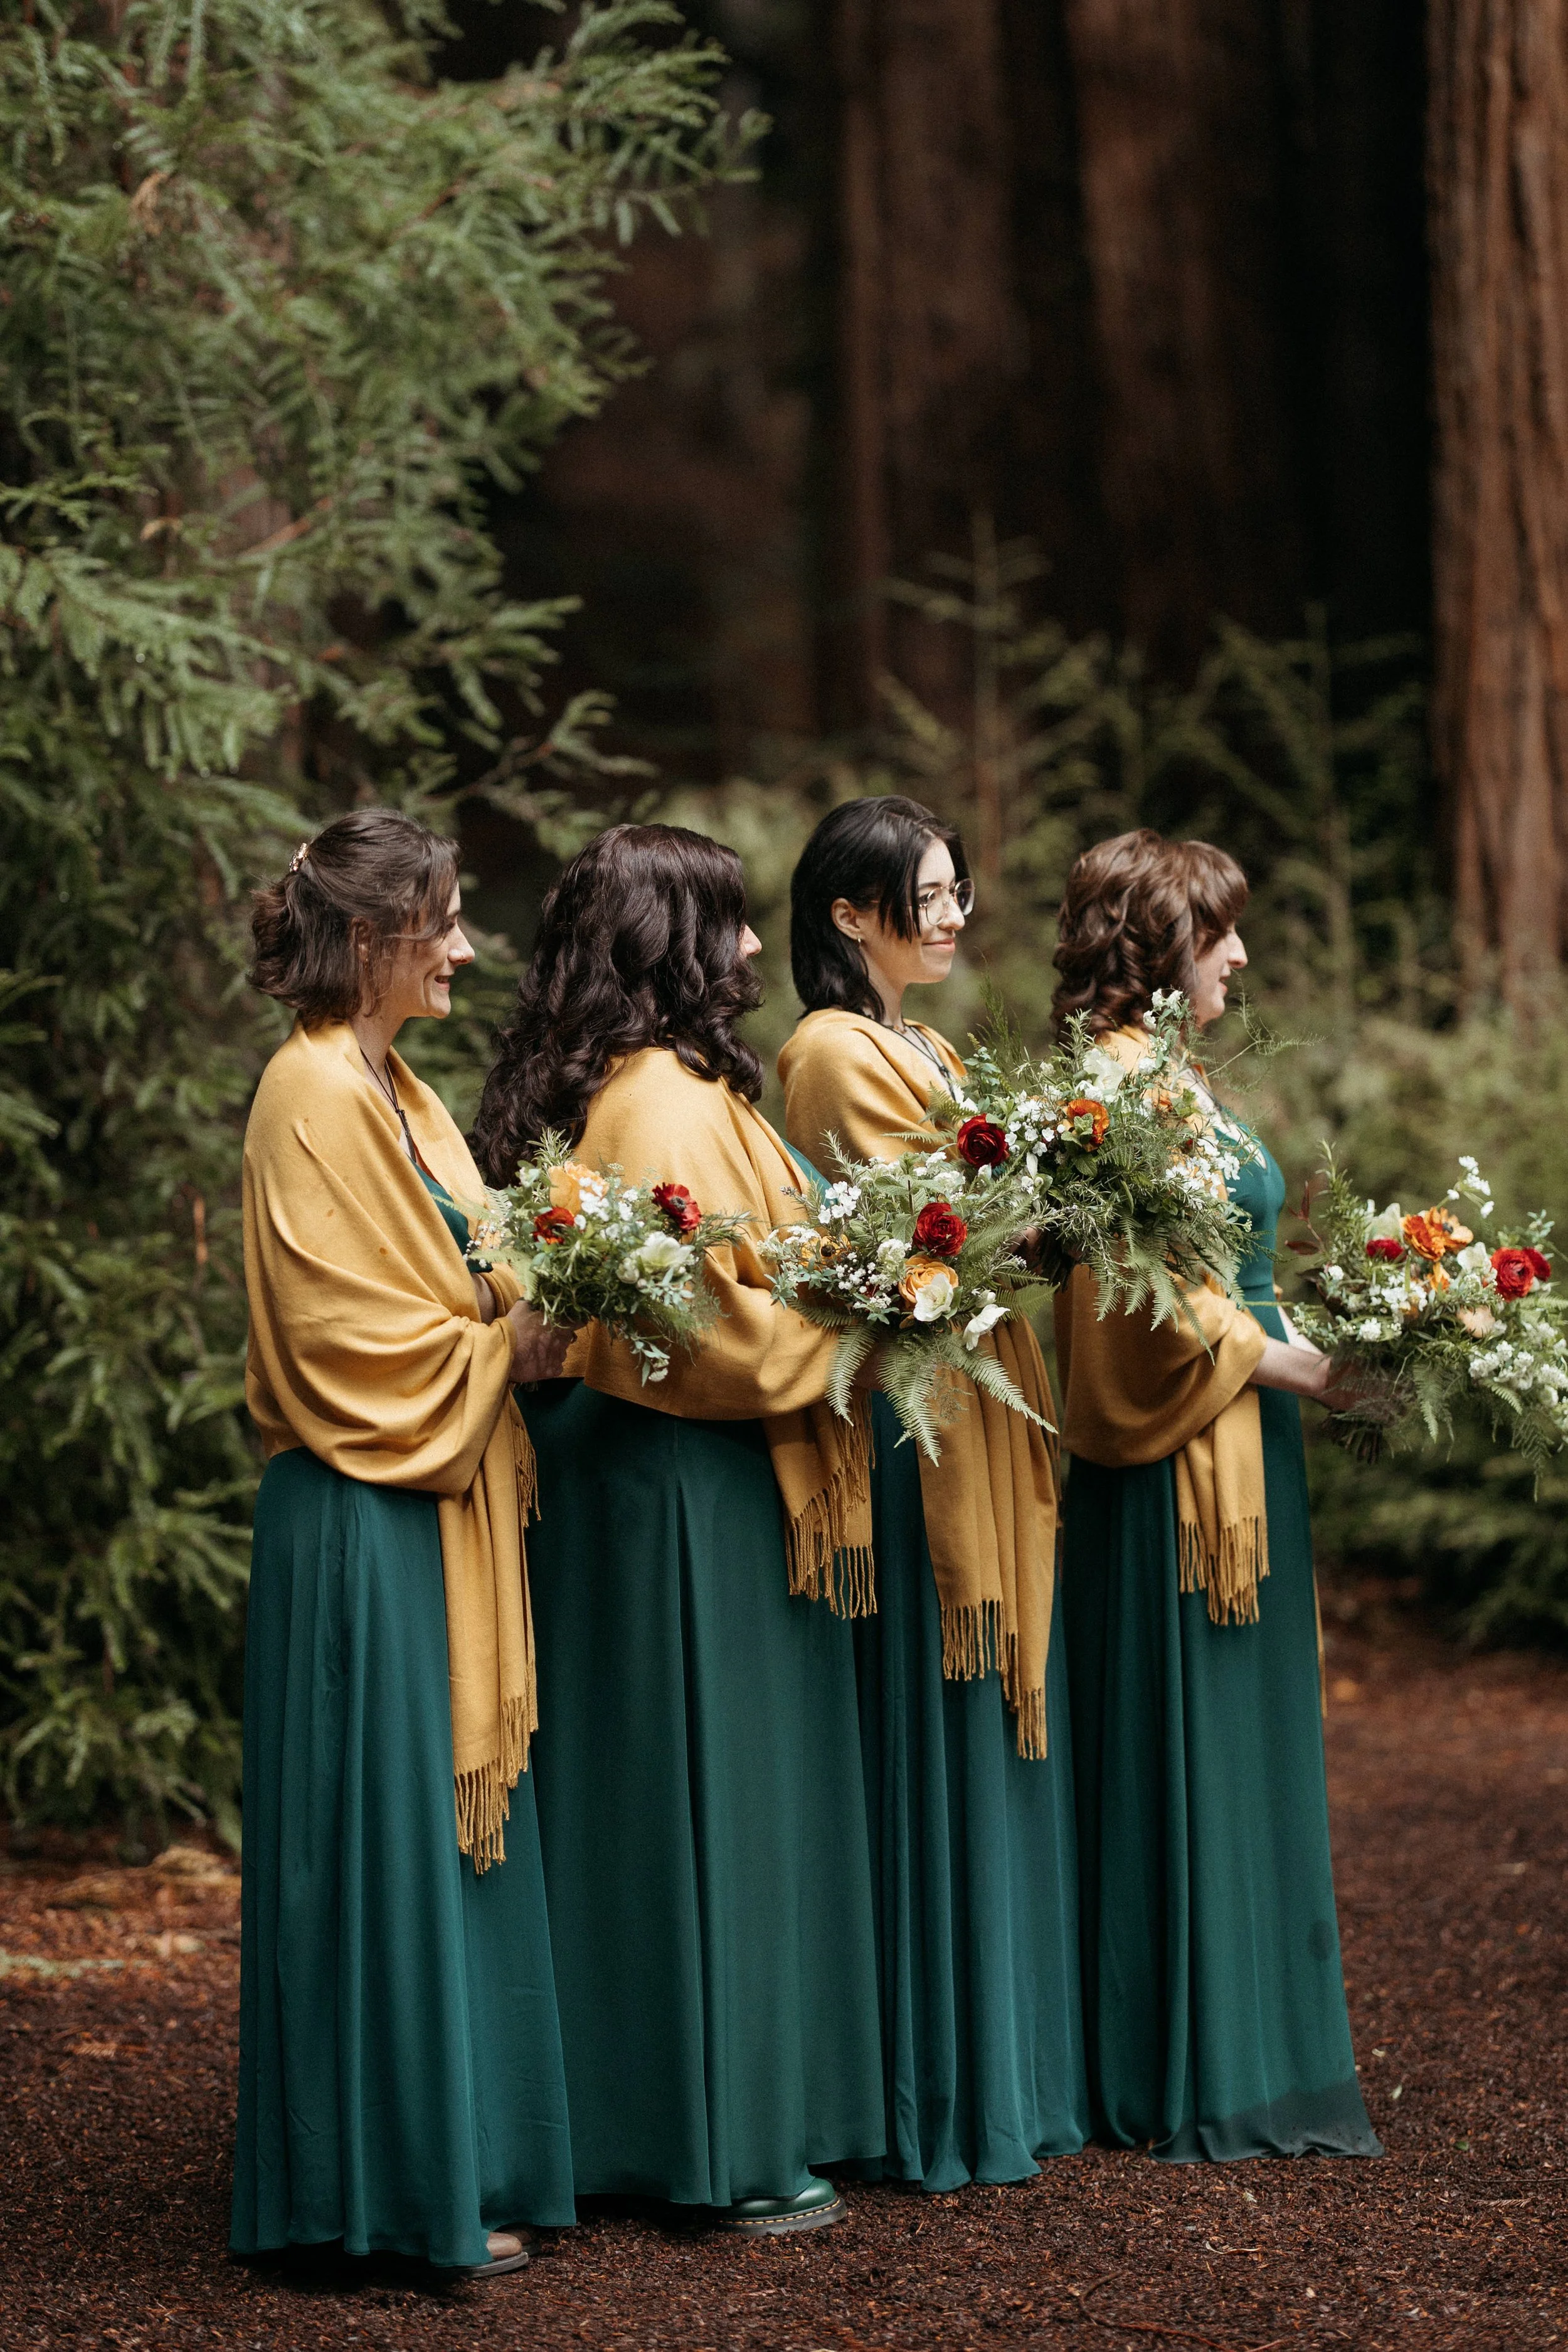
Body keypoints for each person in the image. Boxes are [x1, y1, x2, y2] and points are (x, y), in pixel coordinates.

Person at [470, 823, 886, 2232]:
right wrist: (865, 1324)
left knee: (723, 1809)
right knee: (695, 1808)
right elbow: (696, 1336)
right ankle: (706, 2141)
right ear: (670, 943)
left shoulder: (684, 1085)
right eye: (731, 922)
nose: (760, 946)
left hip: (697, 1493)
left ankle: (718, 2112)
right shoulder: (652, 1100)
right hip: (675, 1502)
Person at [232, 809, 575, 2278]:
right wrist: (514, 1339)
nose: (462, 947)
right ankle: (368, 2200)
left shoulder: (403, 1090)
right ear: (370, 940)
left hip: (434, 1499)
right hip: (362, 1513)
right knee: (375, 1848)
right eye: (439, 923)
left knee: (443, 1840)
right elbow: (345, 1339)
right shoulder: (304, 1092)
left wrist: (552, 1289)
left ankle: (453, 2161)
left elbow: (467, 1268)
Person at [1052, 826, 1381, 2163]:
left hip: (1243, 1445)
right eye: (1217, 931)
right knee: (1175, 1750)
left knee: (1244, 1754)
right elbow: (1149, 1306)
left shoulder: (1168, 1077)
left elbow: (1226, 1269)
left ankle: (1250, 2044)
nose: (1238, 955)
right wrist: (1310, 1368)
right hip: (1179, 1463)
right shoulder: (1113, 1087)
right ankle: (1183, 2062)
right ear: (1155, 944)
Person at [778, 796, 1089, 2190]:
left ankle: (1004, 2073)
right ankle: (936, 2089)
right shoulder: (834, 1053)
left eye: (960, 889)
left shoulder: (929, 1041)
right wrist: (1053, 1204)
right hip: (921, 1419)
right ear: (848, 915)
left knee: (996, 1721)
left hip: (977, 1389)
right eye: (927, 894)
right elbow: (929, 1231)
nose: (956, 914)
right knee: (940, 1713)